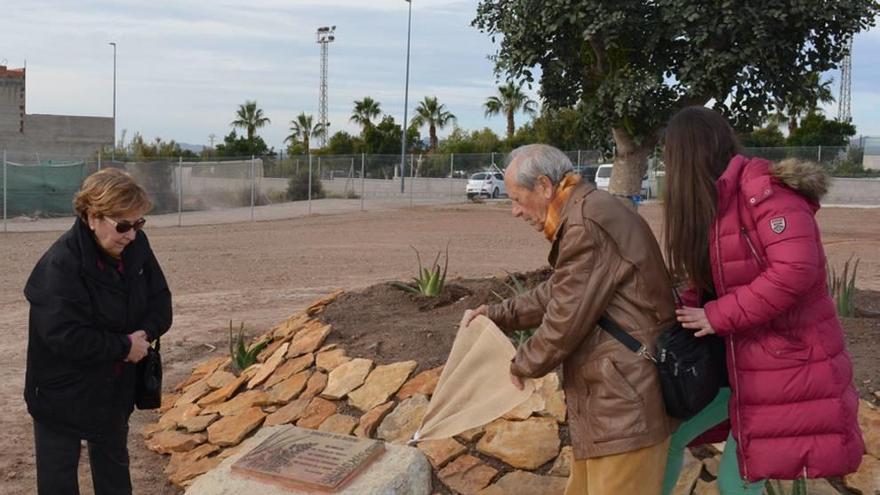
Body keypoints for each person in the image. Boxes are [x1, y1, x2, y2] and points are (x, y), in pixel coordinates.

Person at [660, 106, 864, 494]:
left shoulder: (763, 191)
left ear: (687, 156)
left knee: (738, 483)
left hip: (782, 367)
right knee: (668, 440)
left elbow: (796, 271)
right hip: (735, 364)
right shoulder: (715, 202)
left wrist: (716, 316)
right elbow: (717, 278)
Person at [468, 144, 677, 495]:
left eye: (518, 199)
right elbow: (561, 292)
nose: (515, 212)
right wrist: (498, 314)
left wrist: (520, 364)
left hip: (624, 406)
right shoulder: (587, 211)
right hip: (612, 403)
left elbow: (565, 321)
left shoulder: (586, 222)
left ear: (545, 188)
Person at [24, 168, 172, 495]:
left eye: (138, 224)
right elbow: (63, 334)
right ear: (93, 217)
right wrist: (123, 347)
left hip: (112, 389)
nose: (131, 234)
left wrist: (142, 336)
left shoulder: (137, 247)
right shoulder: (60, 264)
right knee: (58, 481)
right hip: (59, 393)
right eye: (123, 225)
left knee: (115, 475)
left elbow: (161, 301)